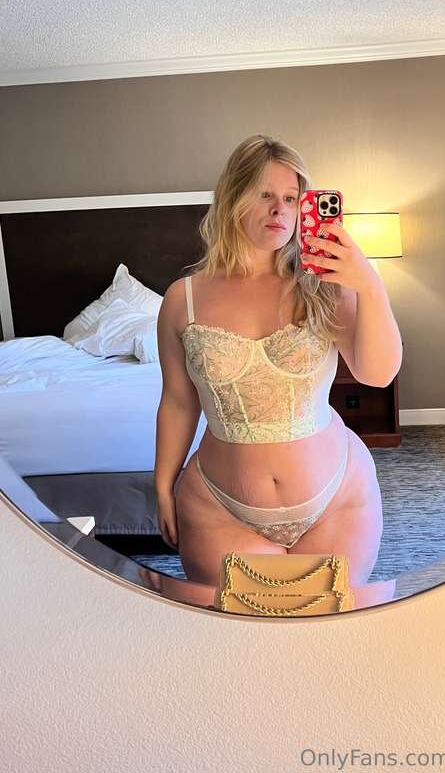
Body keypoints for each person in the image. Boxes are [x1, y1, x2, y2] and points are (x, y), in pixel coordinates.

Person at [154, 134, 403, 588]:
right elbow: (177, 402)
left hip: (336, 499)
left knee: (331, 619)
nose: (279, 210)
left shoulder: (324, 286)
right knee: (243, 625)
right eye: (264, 194)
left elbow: (378, 372)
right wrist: (162, 484)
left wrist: (369, 284)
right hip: (219, 508)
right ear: (232, 198)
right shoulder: (181, 300)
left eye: (291, 198)